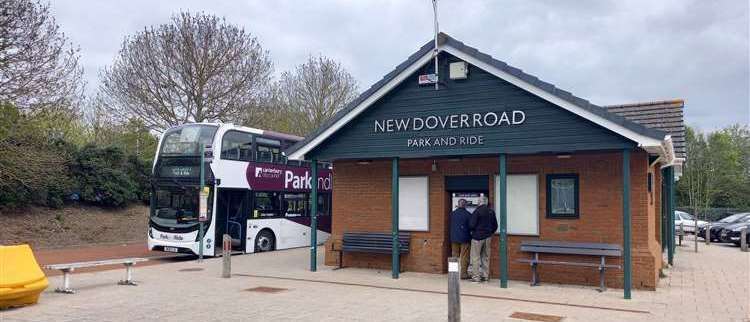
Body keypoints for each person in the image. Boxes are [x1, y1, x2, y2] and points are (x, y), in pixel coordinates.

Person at [469, 196, 498, 283]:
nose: (477, 202)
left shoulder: (477, 211)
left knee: (475, 257)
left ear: (480, 202)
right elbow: (495, 226)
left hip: (477, 237)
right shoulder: (491, 211)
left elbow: (472, 225)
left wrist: (473, 232)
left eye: (478, 201)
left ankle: (476, 277)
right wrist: (489, 233)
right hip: (488, 237)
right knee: (486, 257)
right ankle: (485, 276)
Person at [449, 199, 472, 279]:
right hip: (465, 238)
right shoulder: (468, 214)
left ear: (458, 204)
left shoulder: (452, 214)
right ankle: (463, 274)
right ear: (465, 205)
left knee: (454, 256)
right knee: (464, 256)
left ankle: (453, 274)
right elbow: (471, 226)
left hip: (454, 238)